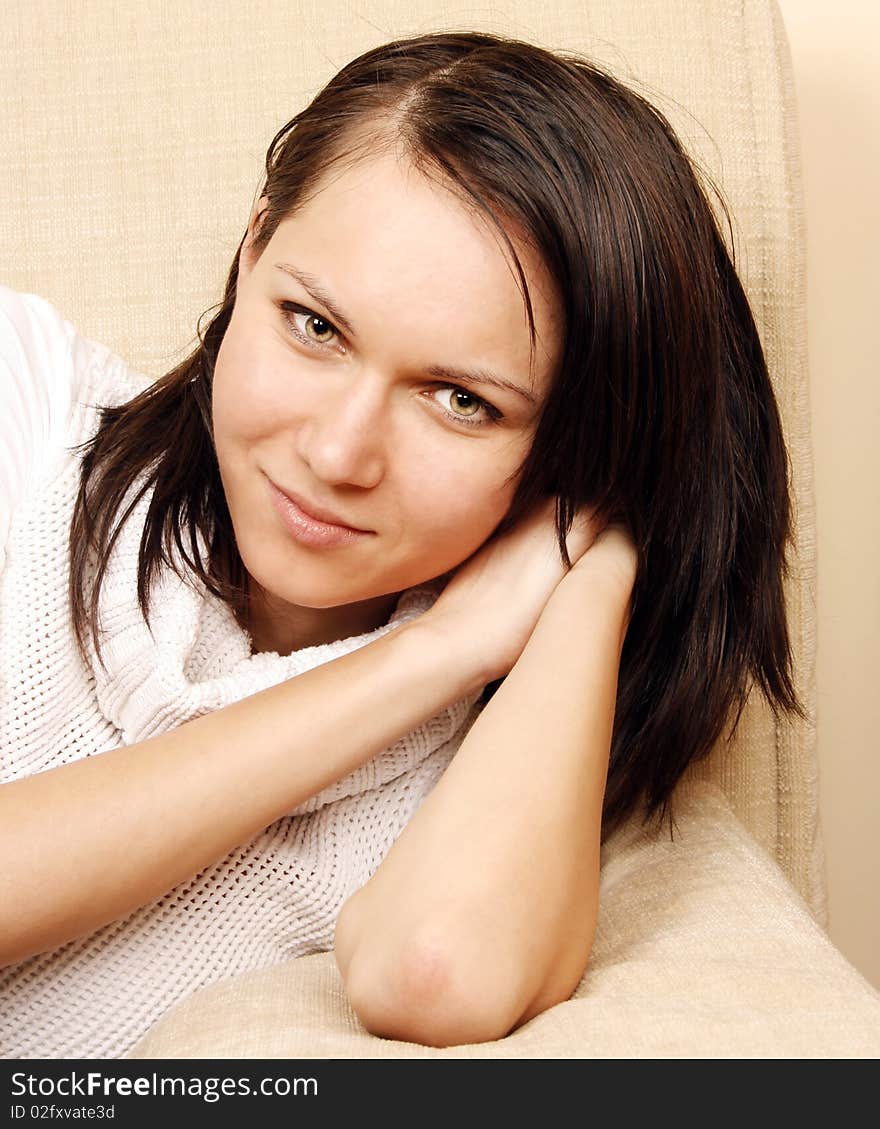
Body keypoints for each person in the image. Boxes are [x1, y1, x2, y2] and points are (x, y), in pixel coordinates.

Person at [0, 30, 801, 1058]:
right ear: (250, 254)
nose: (338, 453)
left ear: (573, 453)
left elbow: (437, 972)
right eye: (313, 325)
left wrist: (600, 554)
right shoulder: (29, 405)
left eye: (461, 400)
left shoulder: (497, 775)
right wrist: (423, 652)